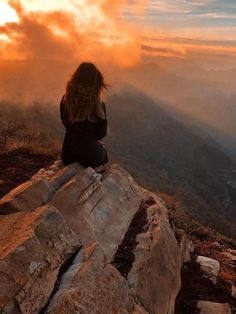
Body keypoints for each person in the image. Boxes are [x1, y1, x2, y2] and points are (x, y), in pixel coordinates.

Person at [60, 62, 108, 169]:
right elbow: (101, 134)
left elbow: (65, 123)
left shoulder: (65, 101)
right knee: (103, 153)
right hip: (90, 157)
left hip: (68, 155)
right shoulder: (98, 105)